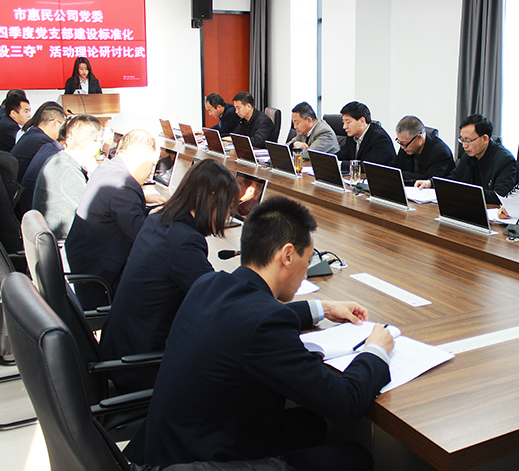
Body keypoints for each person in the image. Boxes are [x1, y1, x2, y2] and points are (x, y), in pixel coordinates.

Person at [123, 196, 393, 471]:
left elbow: (248, 318)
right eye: (308, 259)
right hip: (203, 462)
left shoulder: (209, 283)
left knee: (310, 424)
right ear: (288, 255)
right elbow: (346, 403)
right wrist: (375, 350)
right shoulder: (266, 325)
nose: (306, 272)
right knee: (355, 457)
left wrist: (321, 308)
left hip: (168, 447)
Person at [100, 160, 240, 393]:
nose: (227, 216)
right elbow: (218, 302)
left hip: (119, 349)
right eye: (228, 208)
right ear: (212, 199)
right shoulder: (184, 242)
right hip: (143, 366)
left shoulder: (157, 220)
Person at [65, 129, 164, 310]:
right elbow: (142, 237)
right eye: (152, 164)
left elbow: (124, 215)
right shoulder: (124, 185)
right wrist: (163, 217)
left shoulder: (107, 168)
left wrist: (150, 210)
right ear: (141, 157)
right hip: (104, 275)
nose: (151, 173)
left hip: (86, 259)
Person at [32, 115, 103, 239]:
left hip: (59, 237)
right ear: (93, 144)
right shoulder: (67, 171)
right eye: (100, 141)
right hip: (65, 243)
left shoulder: (59, 160)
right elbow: (94, 212)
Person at [9, 102, 65, 183]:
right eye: (62, 126)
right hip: (20, 186)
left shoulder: (33, 132)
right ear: (55, 123)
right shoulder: (44, 142)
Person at [335, 101, 396, 170]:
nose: (344, 127)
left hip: (379, 175)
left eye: (348, 122)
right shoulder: (352, 136)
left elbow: (367, 166)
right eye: (343, 122)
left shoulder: (380, 138)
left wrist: (340, 164)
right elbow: (342, 155)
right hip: (357, 175)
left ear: (362, 121)